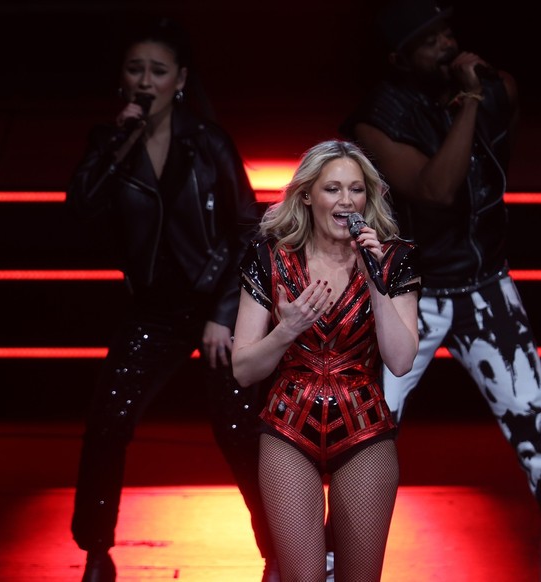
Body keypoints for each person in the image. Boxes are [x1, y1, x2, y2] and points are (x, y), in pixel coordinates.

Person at [340, 1, 541, 581]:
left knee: (535, 427)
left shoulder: (491, 92)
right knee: (366, 433)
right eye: (428, 41)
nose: (446, 45)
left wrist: (479, 97)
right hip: (406, 293)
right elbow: (436, 190)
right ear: (399, 59)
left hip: (485, 283)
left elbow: (500, 132)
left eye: (446, 33)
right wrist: (469, 102)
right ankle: (337, 559)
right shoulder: (376, 120)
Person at [65, 18, 276, 582]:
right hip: (152, 311)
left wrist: (223, 315)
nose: (145, 80)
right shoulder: (111, 145)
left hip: (216, 306)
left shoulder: (207, 143)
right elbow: (79, 208)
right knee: (108, 419)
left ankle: (280, 551)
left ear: (179, 79)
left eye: (157, 71)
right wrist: (117, 141)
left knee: (239, 432)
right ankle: (96, 553)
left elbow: (245, 231)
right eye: (135, 69)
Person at [231, 140, 421, 582]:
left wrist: (375, 278)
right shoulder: (270, 258)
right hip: (287, 430)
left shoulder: (395, 259)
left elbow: (400, 360)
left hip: (364, 431)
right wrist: (287, 328)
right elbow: (243, 370)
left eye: (356, 190)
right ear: (307, 196)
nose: (346, 200)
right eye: (333, 189)